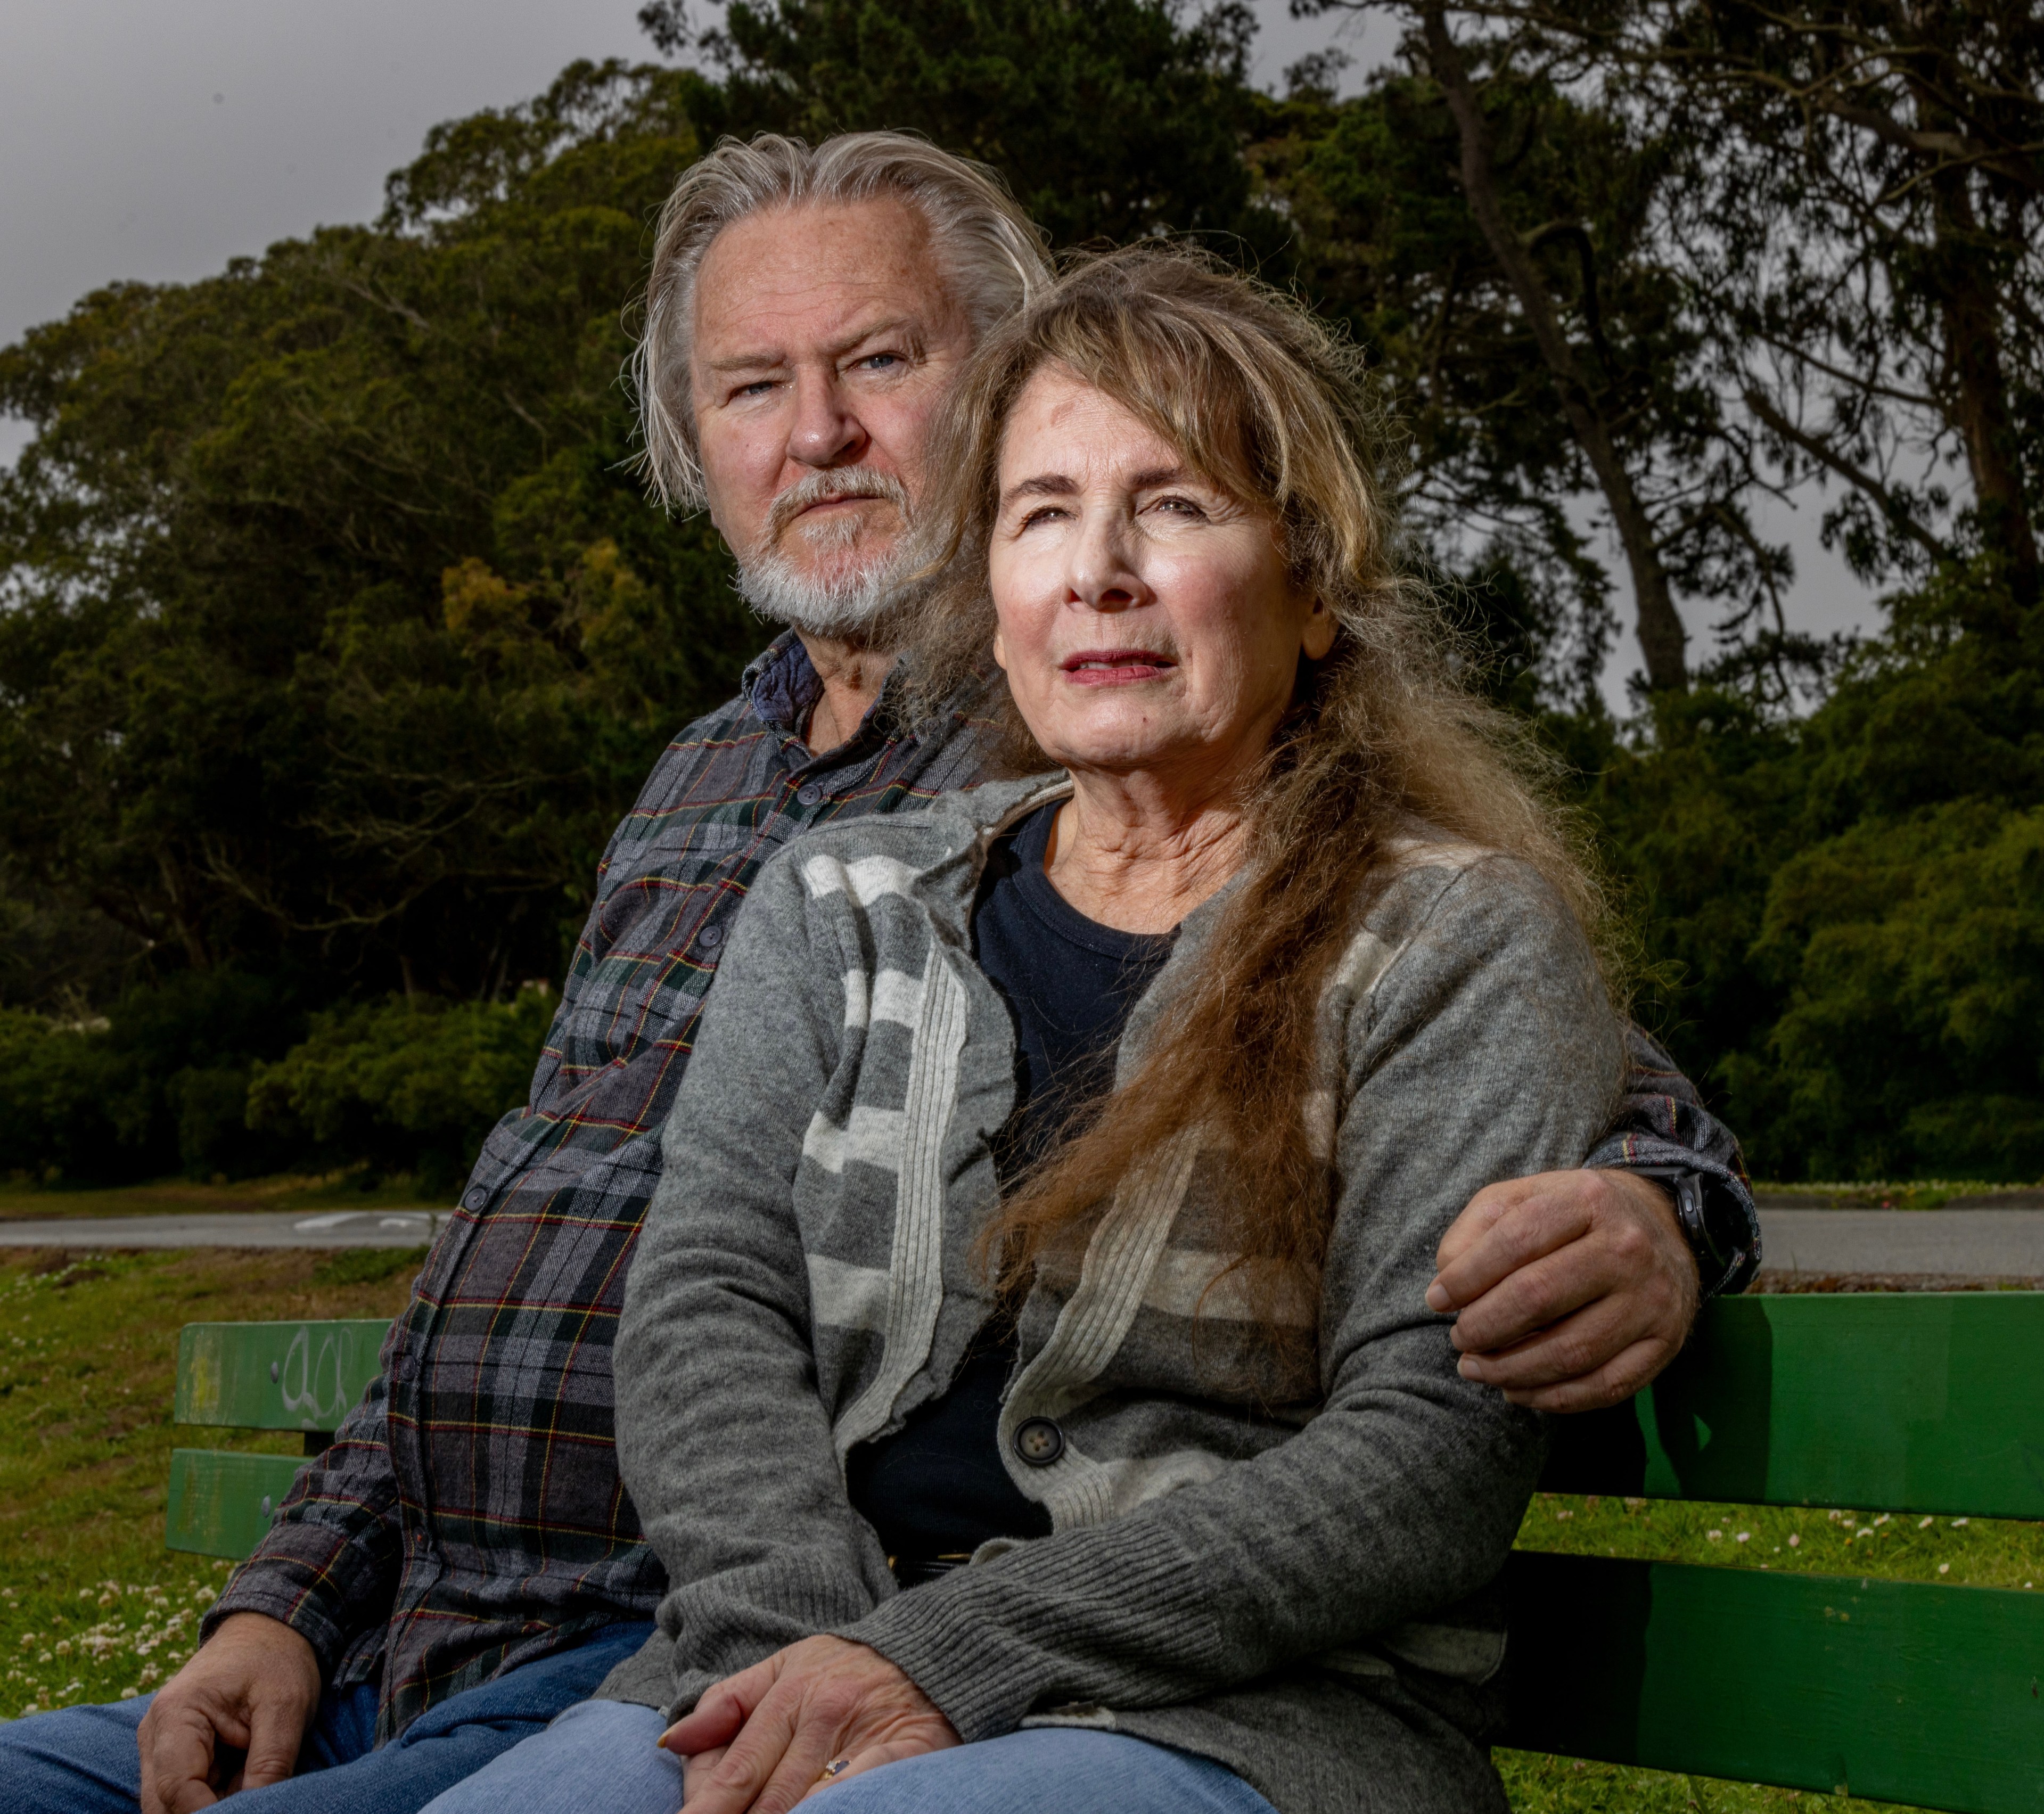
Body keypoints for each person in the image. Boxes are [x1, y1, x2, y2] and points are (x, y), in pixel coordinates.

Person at [0, 135, 1754, 1814]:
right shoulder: (715, 791)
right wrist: (287, 1598)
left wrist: (1667, 1202)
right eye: (755, 385)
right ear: (699, 444)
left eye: (880, 361)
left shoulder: (1128, 758)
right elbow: (532, 1231)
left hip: (728, 1642)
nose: (821, 431)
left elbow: (1528, 1066)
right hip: (491, 1636)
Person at [429, 245, 1642, 1814]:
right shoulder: (840, 898)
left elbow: (1425, 1461)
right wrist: (810, 1646)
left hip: (1237, 1724)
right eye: (1042, 512)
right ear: (989, 593)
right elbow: (707, 1299)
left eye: (1179, 504)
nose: (1100, 572)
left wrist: (945, 1661)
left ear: (1318, 589)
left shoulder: (1452, 938)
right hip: (794, 1658)